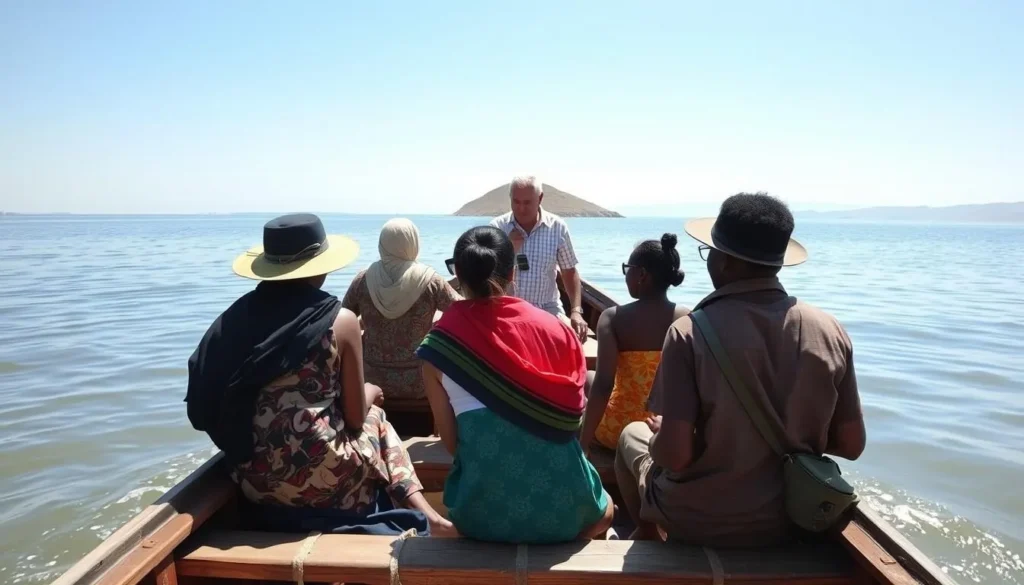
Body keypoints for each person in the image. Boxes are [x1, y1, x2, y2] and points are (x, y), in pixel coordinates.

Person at [615, 193, 866, 546]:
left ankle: (646, 536)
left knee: (631, 435)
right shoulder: (829, 330)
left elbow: (675, 455)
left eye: (711, 251)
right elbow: (852, 444)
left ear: (726, 263)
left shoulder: (689, 332)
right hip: (796, 516)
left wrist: (663, 435)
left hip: (700, 518)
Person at [185, 213, 453, 536]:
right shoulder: (340, 321)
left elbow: (202, 401)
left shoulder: (231, 322)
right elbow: (355, 419)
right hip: (326, 478)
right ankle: (426, 514)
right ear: (321, 267)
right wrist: (370, 390)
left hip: (252, 477)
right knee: (377, 417)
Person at [415, 226, 614, 543]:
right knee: (607, 511)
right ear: (512, 272)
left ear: (459, 275)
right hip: (561, 516)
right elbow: (571, 428)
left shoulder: (438, 347)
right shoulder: (557, 331)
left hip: (479, 518)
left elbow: (453, 446)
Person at [579, 234, 689, 455]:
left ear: (641, 274)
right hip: (661, 429)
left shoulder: (613, 318)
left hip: (618, 430)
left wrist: (583, 443)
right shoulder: (684, 317)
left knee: (586, 378)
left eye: (627, 268)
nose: (626, 275)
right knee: (589, 377)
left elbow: (604, 385)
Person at [342, 218, 461, 400]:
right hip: (421, 381)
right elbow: (463, 312)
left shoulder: (362, 280)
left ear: (382, 244)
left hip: (371, 382)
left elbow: (342, 320)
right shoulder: (430, 281)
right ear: (413, 242)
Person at [489, 176, 588, 342]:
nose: (521, 208)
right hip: (507, 309)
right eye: (516, 201)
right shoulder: (497, 228)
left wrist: (576, 311)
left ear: (540, 198)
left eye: (527, 202)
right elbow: (489, 276)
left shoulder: (557, 227)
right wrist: (509, 250)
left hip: (547, 308)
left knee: (567, 344)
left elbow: (569, 271)